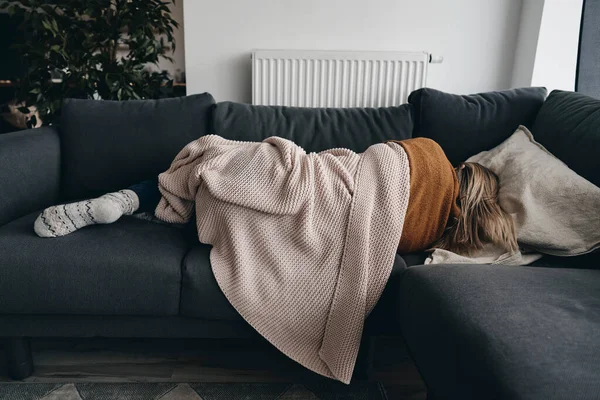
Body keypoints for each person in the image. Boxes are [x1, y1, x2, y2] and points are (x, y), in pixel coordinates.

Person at [33, 137, 517, 256]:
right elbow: (382, 230)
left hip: (308, 171)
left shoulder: (432, 153)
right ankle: (155, 209)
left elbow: (369, 156)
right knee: (215, 204)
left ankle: (128, 199)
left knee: (212, 163)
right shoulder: (428, 235)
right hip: (314, 211)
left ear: (465, 171)